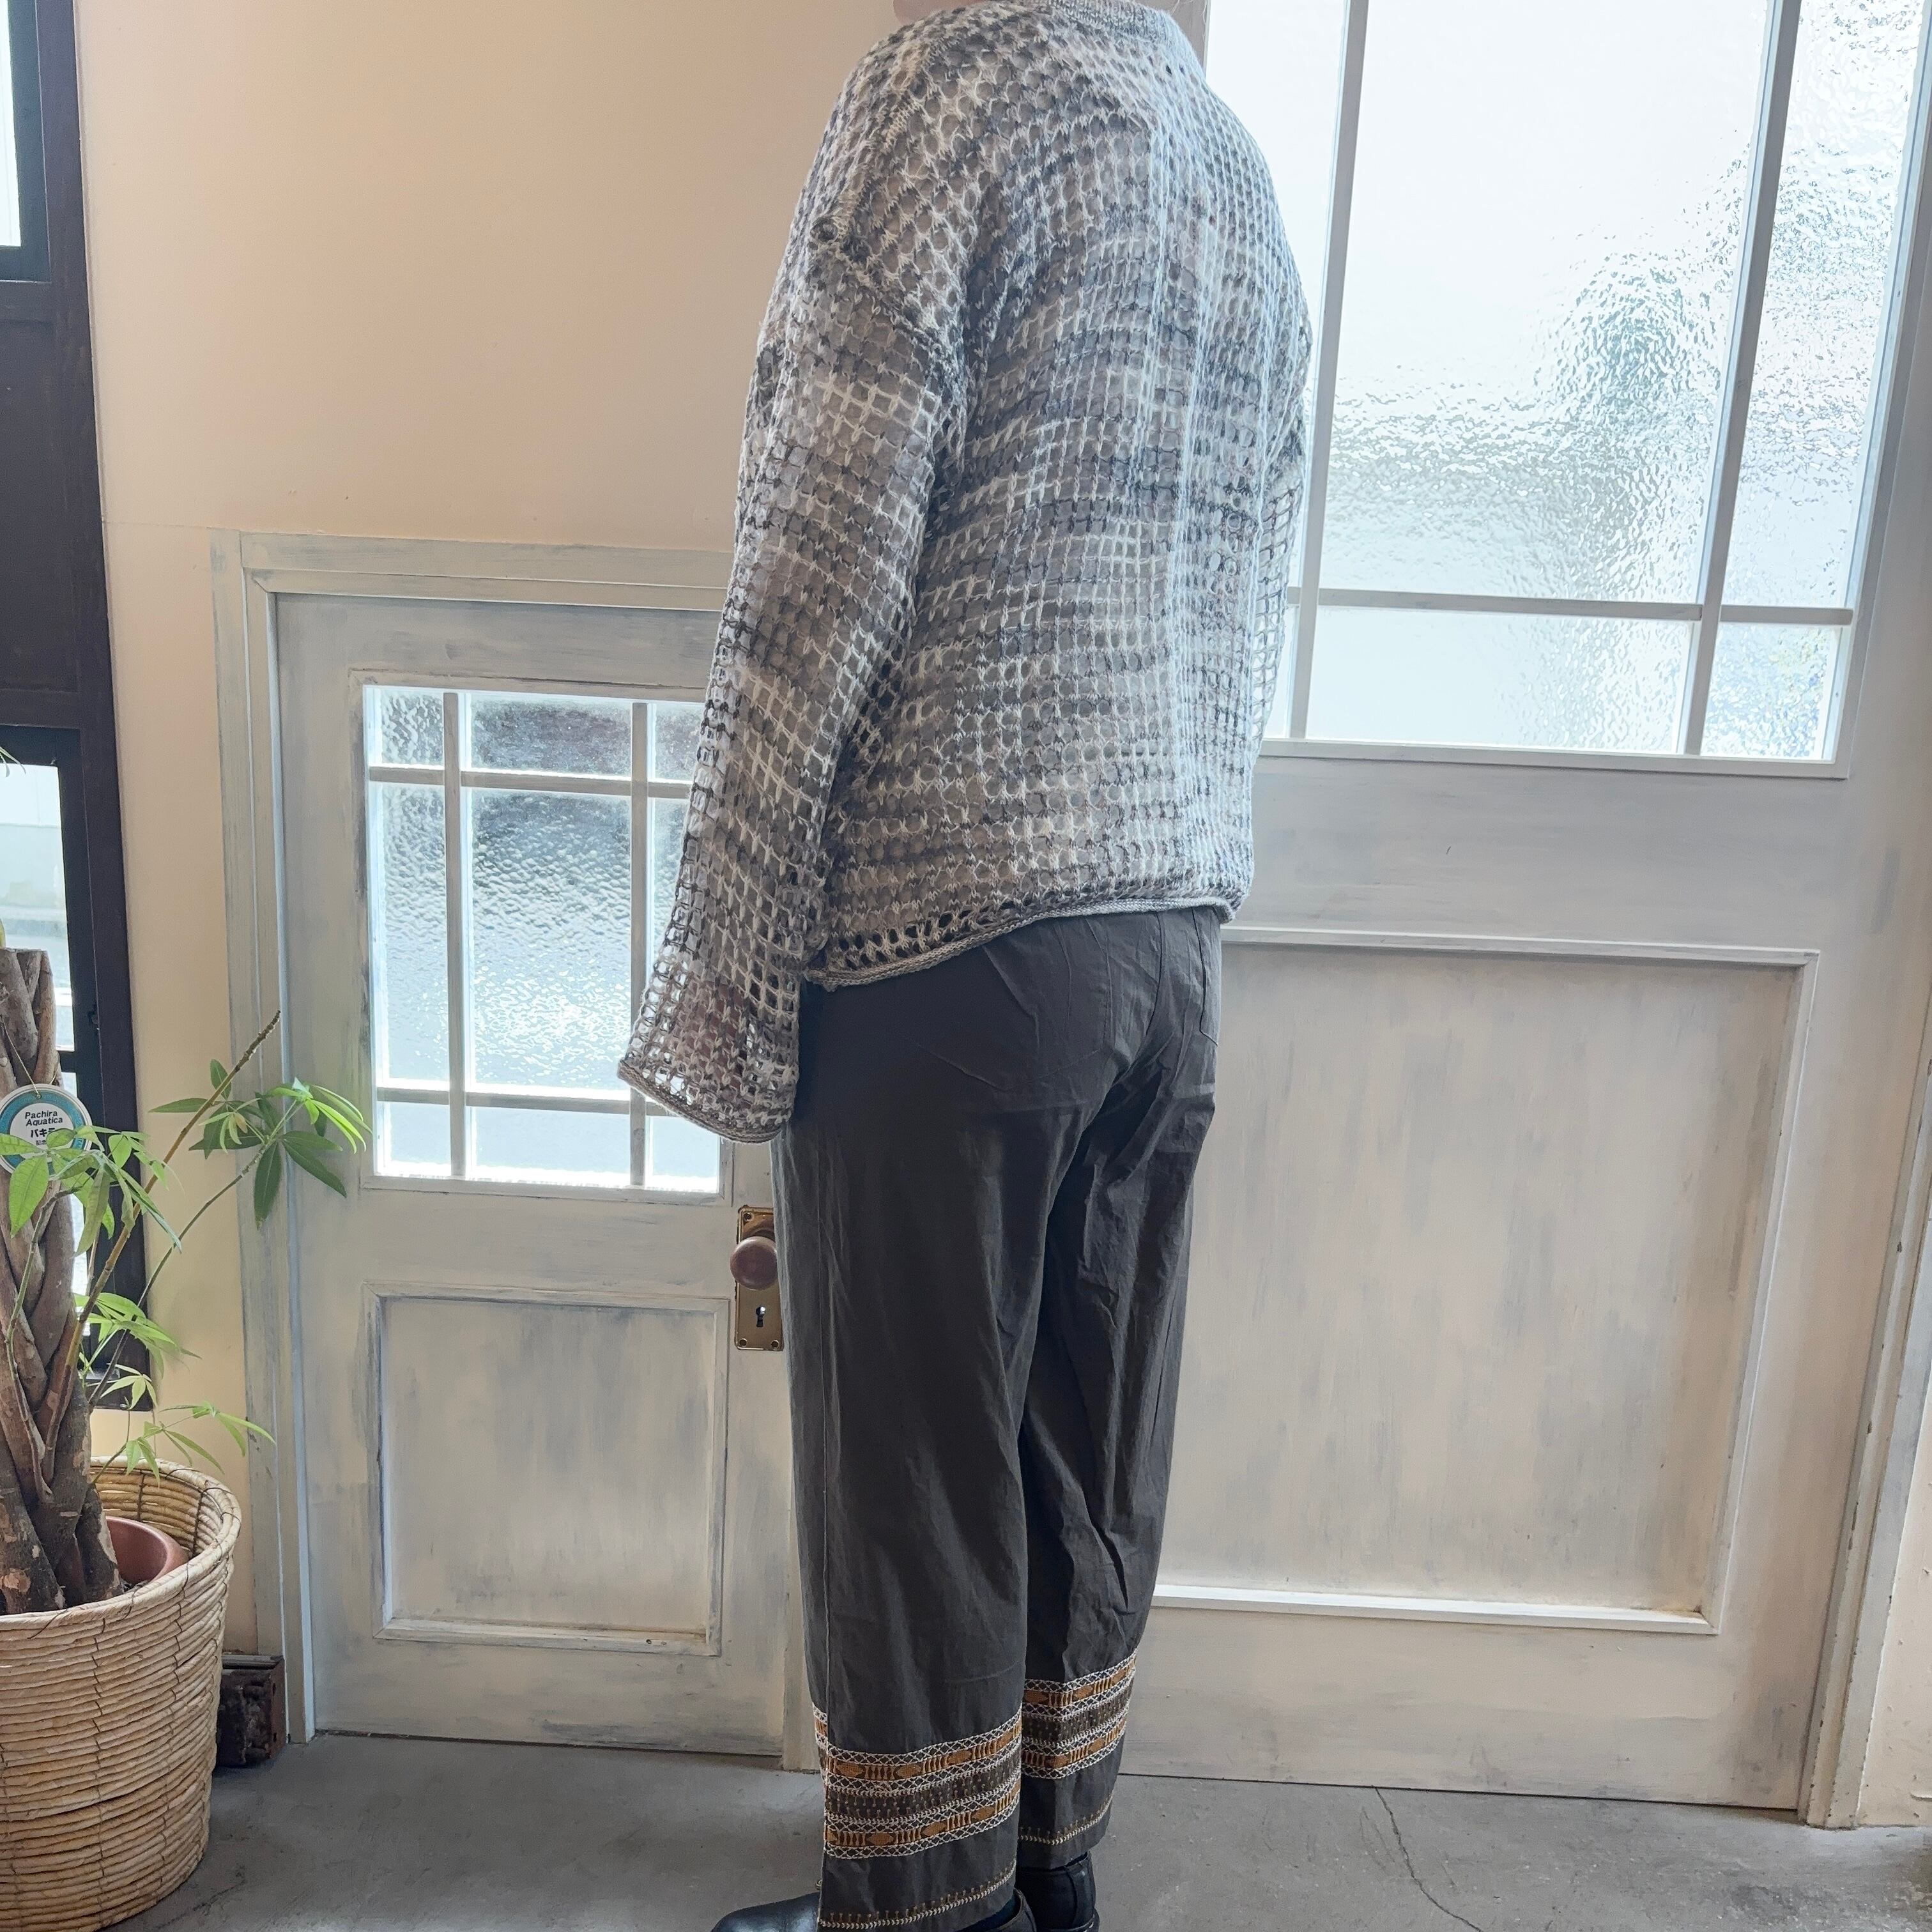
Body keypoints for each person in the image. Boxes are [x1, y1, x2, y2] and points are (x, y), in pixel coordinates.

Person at [620, 3, 1308, 1928]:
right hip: (1168, 942)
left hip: (953, 935)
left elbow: (818, 561)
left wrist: (722, 973)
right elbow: (1251, 565)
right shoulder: (1228, 161)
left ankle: (926, 1918)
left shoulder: (946, 91)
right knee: (1083, 1449)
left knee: (911, 1481)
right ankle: (1046, 1882)